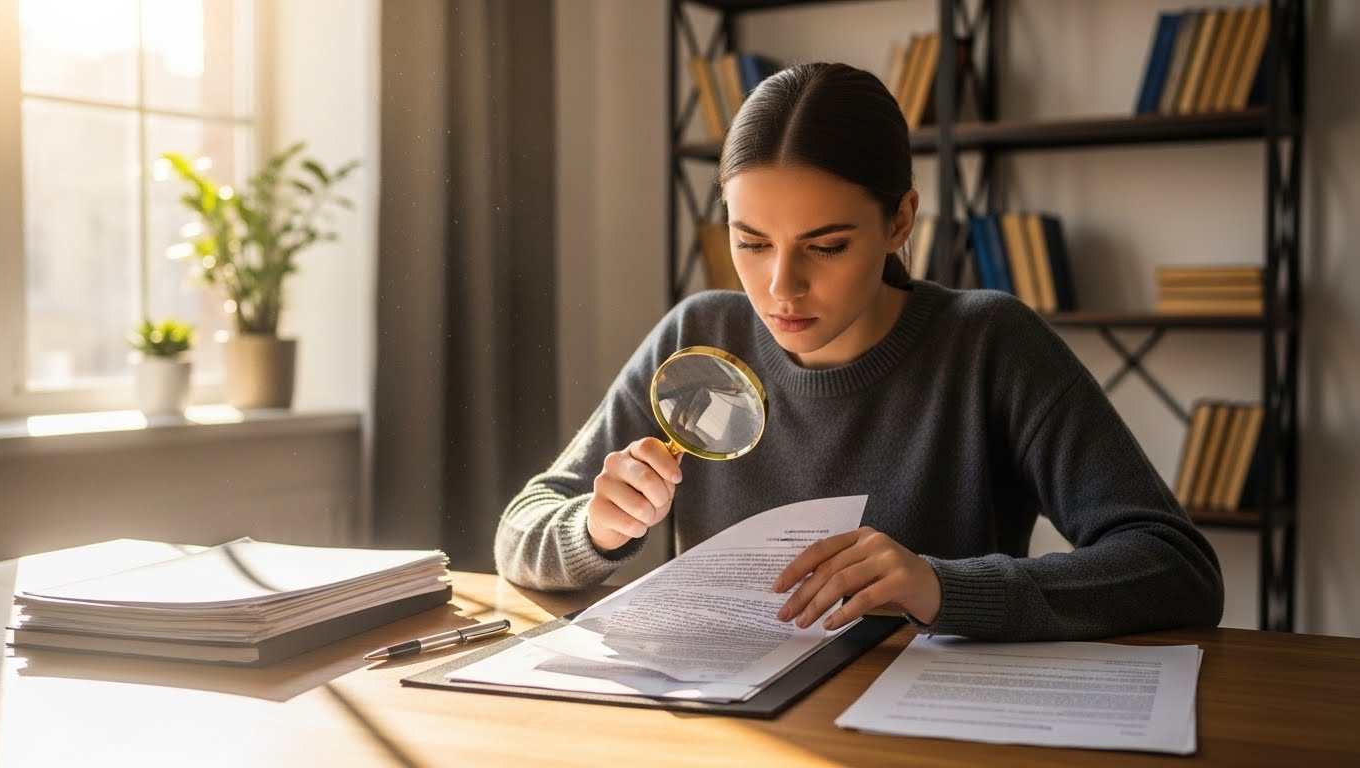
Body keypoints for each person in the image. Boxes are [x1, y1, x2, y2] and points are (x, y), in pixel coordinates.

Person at [494, 62, 1223, 641]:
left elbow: (1176, 569)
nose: (781, 287)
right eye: (748, 242)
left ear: (900, 219)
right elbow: (521, 531)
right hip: (726, 725)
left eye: (827, 246)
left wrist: (942, 587)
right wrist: (595, 525)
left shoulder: (988, 345)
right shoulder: (699, 335)